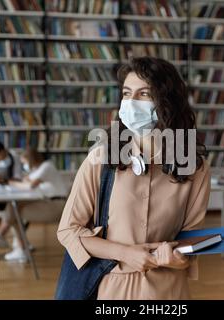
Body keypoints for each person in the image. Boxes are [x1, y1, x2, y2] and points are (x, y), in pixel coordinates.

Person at [56, 57, 211, 300]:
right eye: (127, 94)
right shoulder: (101, 159)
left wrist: (178, 259)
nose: (131, 103)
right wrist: (126, 253)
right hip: (110, 288)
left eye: (144, 94)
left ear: (166, 102)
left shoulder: (194, 166)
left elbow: (191, 237)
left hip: (168, 291)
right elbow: (69, 230)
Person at [0, 148, 68, 262]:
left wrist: (11, 182)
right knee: (13, 206)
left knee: (15, 211)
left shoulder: (46, 166)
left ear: (30, 160)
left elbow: (30, 186)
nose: (23, 165)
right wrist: (22, 182)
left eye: (24, 162)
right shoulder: (37, 170)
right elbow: (26, 182)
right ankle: (9, 242)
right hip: (47, 202)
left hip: (56, 206)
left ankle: (9, 242)